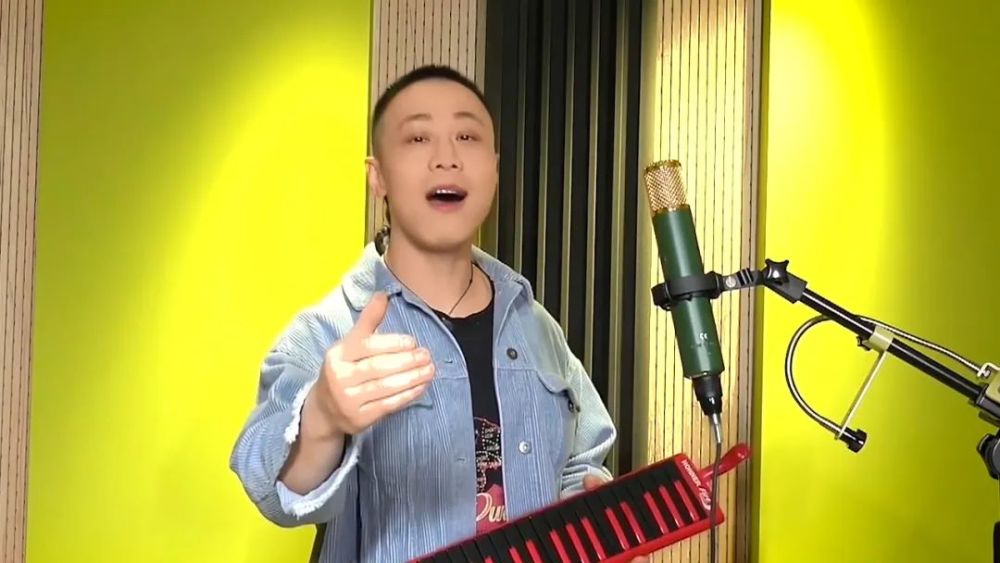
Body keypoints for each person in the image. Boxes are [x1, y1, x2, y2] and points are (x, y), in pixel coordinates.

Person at [230, 64, 648, 562]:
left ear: (494, 168)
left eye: (467, 137)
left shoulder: (534, 323)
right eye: (418, 138)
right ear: (378, 176)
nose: (447, 158)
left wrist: (587, 510)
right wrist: (322, 416)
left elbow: (584, 458)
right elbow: (267, 482)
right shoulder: (330, 331)